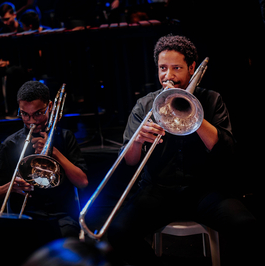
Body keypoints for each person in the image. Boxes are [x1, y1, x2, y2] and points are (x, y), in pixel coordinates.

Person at [107, 35, 260, 265]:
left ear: (191, 68)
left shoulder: (211, 99)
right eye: (162, 68)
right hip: (157, 191)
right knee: (117, 232)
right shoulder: (145, 105)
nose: (168, 76)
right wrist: (137, 140)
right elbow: (129, 162)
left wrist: (194, 115)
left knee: (247, 227)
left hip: (205, 191)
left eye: (176, 68)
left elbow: (227, 152)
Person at [0, 81, 88, 237]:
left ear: (50, 107)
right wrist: (12, 186)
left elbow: (82, 182)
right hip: (25, 218)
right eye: (24, 114)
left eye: (38, 113)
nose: (31, 121)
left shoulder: (64, 137)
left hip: (61, 217)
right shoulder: (10, 144)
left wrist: (54, 152)